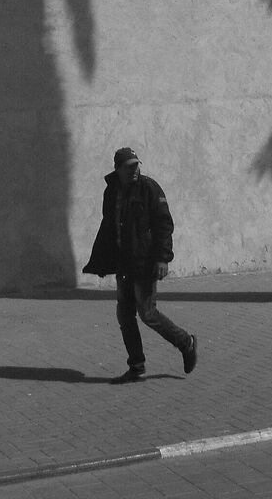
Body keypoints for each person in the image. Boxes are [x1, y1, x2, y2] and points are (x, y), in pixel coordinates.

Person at [81, 146, 198, 381]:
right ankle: (137, 366)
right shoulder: (112, 191)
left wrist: (163, 258)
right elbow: (109, 227)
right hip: (124, 264)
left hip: (145, 263)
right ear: (118, 169)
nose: (134, 171)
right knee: (124, 315)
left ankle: (186, 342)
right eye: (129, 167)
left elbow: (164, 225)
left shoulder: (149, 188)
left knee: (147, 313)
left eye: (137, 166)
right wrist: (104, 261)